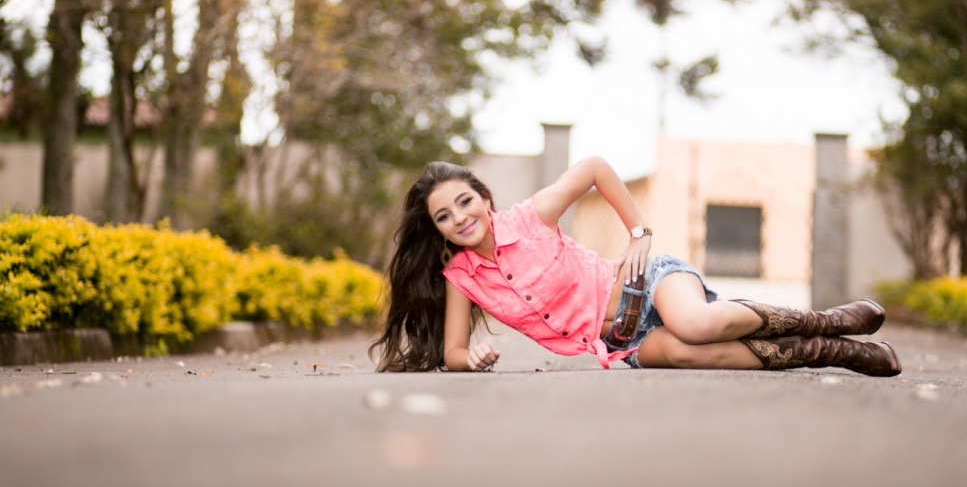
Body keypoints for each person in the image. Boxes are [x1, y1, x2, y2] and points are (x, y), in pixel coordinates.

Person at [371, 157, 901, 376]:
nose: (459, 217)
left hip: (647, 285)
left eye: (464, 202)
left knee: (694, 323)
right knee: (691, 352)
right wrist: (472, 358)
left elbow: (594, 168)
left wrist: (639, 231)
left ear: (484, 198)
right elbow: (454, 351)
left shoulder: (531, 217)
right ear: (437, 229)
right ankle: (831, 352)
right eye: (443, 216)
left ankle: (830, 322)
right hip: (621, 343)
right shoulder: (462, 278)